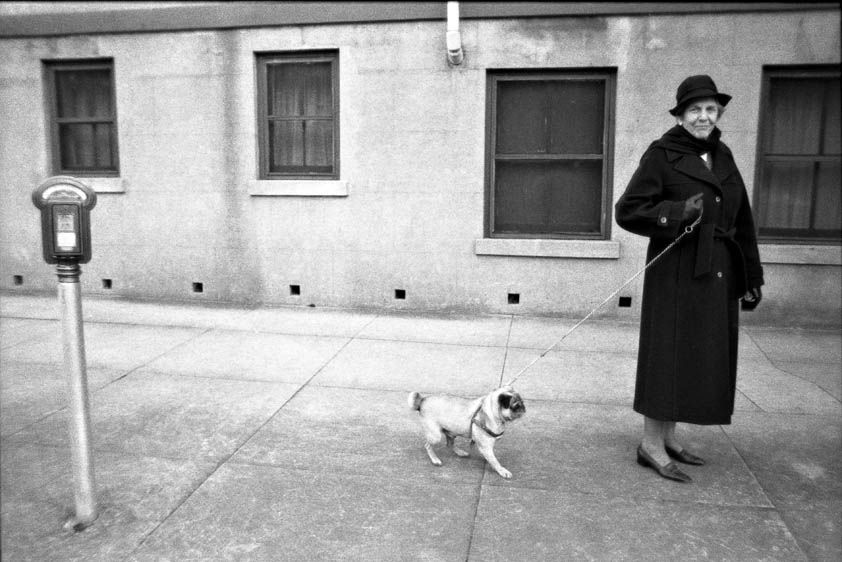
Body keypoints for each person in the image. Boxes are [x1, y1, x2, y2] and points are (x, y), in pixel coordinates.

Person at [615, 75, 765, 483]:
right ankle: (650, 444)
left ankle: (669, 438)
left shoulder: (725, 155)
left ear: (718, 115)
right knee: (668, 355)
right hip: (677, 272)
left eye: (711, 110)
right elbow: (628, 210)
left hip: (719, 272)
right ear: (680, 116)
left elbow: (743, 220)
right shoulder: (661, 154)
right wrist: (676, 212)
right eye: (695, 110)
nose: (703, 117)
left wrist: (751, 274)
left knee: (696, 356)